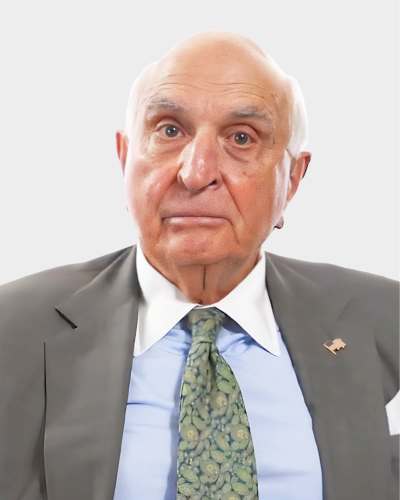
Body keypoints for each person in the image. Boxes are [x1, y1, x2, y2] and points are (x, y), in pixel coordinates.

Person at [0, 31, 398, 500]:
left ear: (292, 179)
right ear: (125, 157)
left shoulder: (381, 317)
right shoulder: (14, 328)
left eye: (241, 138)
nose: (196, 172)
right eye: (170, 130)